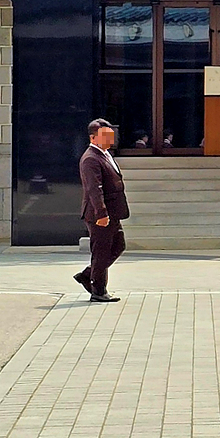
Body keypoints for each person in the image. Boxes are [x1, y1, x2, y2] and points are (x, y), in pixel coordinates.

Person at [76, 119, 127, 303]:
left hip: (113, 212)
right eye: (105, 135)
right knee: (102, 251)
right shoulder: (91, 158)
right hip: (100, 214)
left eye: (110, 135)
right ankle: (98, 290)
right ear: (93, 138)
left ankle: (88, 275)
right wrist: (101, 213)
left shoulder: (105, 154)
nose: (110, 139)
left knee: (118, 245)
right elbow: (94, 189)